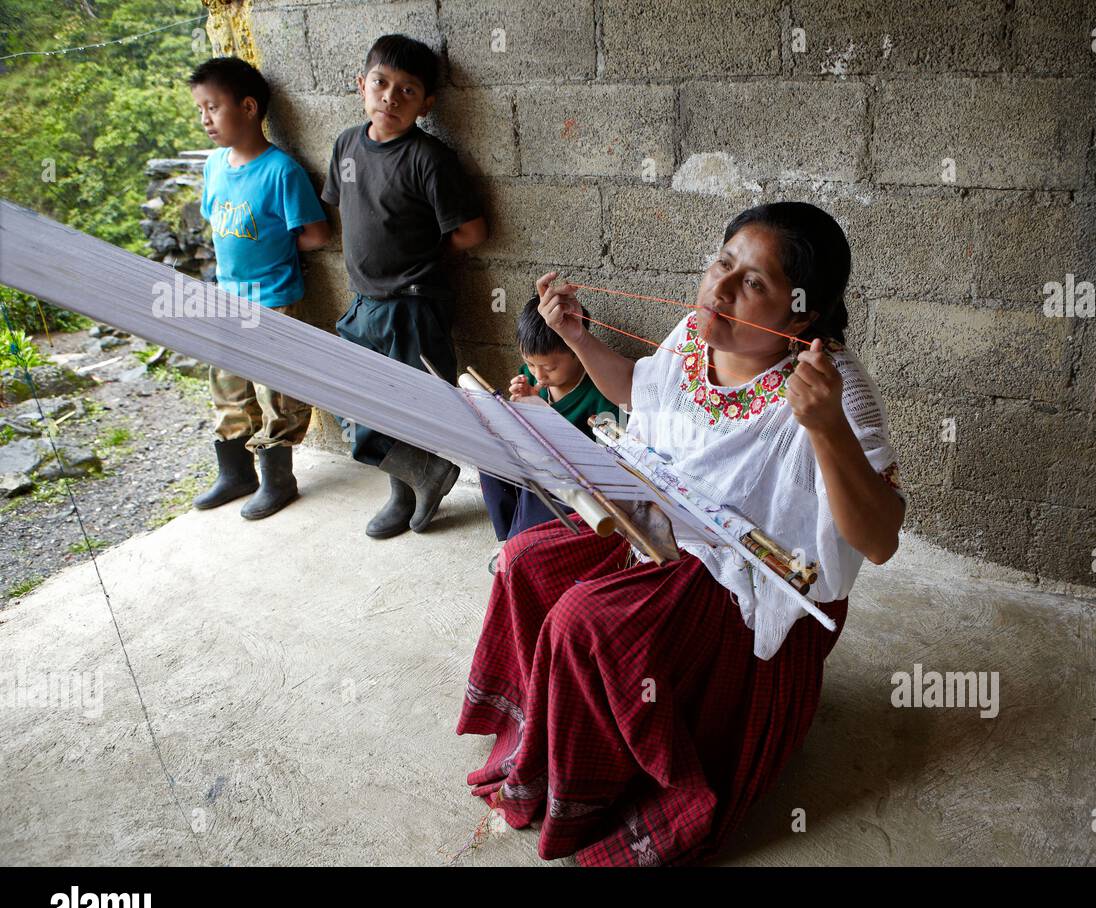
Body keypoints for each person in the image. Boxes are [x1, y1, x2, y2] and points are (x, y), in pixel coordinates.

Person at [455, 202, 908, 865]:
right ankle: (545, 740)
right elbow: (643, 397)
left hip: (747, 570)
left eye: (752, 283)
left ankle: (597, 788)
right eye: (722, 263)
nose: (719, 289)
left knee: (587, 622)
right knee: (524, 562)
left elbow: (881, 539)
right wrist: (579, 337)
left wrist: (827, 427)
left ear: (802, 315)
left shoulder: (832, 390)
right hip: (666, 516)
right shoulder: (698, 336)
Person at [321, 34, 488, 538]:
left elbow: (472, 232)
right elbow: (344, 207)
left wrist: (425, 263)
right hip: (364, 303)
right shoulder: (347, 146)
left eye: (407, 90)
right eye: (381, 83)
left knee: (407, 407)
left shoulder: (428, 159)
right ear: (362, 86)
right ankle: (421, 477)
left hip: (413, 306)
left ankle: (414, 487)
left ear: (427, 103)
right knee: (354, 399)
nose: (391, 97)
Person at [188, 57, 330, 518]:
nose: (204, 119)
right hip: (227, 298)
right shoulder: (213, 166)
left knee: (277, 392)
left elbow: (315, 234)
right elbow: (215, 223)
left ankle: (277, 479)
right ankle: (235, 473)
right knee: (227, 385)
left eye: (212, 107)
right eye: (200, 109)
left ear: (248, 107)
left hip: (274, 302)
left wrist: (280, 251)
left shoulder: (280, 171)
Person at [478, 295, 619, 571]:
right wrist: (518, 407)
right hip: (535, 460)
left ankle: (521, 546)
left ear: (576, 350)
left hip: (574, 482)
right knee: (488, 454)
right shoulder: (532, 379)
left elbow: (603, 455)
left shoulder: (601, 392)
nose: (538, 375)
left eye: (550, 367)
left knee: (540, 474)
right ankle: (510, 538)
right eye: (530, 364)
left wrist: (545, 415)